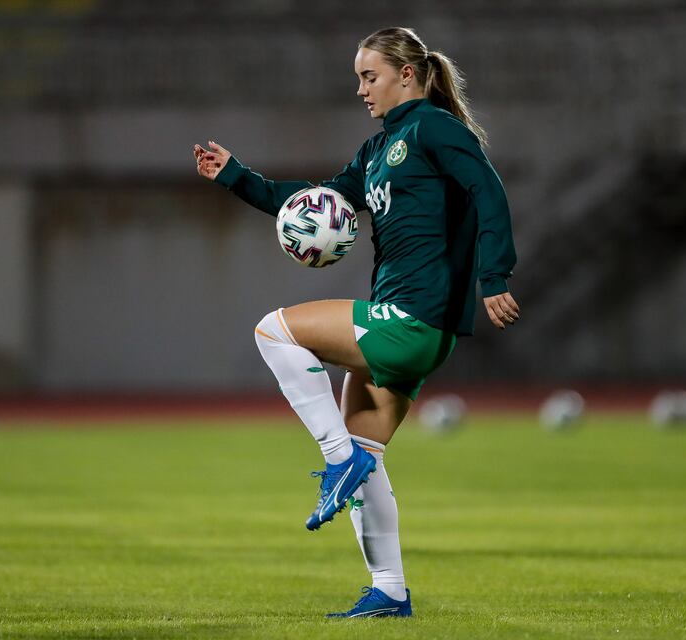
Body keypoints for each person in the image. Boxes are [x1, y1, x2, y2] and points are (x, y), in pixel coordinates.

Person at [193, 26, 518, 619]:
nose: (362, 89)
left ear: (408, 75)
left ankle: (338, 458)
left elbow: (489, 191)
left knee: (274, 330)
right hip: (416, 328)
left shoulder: (435, 128)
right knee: (372, 452)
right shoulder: (376, 151)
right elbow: (314, 200)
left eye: (371, 76)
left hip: (411, 318)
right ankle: (389, 589)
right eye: (358, 79)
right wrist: (236, 175)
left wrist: (493, 277)